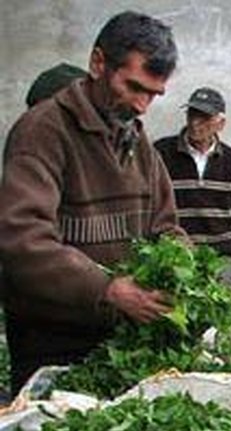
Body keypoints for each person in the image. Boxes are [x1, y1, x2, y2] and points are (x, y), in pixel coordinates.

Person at [0, 11, 182, 393]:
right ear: (98, 63)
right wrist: (108, 289)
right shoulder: (42, 132)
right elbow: (24, 241)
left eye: (153, 93)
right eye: (134, 87)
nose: (142, 105)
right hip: (52, 344)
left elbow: (164, 225)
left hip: (120, 340)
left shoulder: (136, 141)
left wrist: (183, 267)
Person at [153, 87, 231, 286]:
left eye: (204, 117)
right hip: (178, 258)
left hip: (224, 260)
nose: (194, 123)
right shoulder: (161, 153)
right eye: (192, 114)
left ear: (220, 123)